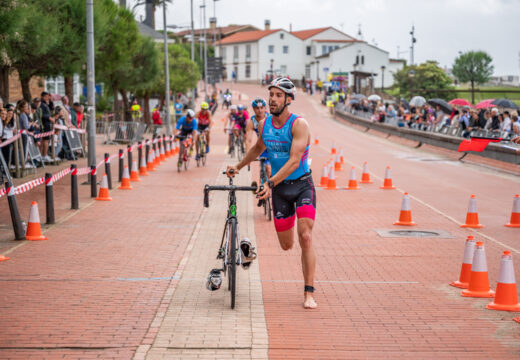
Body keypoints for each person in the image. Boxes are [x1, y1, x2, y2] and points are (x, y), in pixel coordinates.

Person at [225, 77, 317, 309]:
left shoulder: (299, 125)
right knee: (286, 245)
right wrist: (238, 166)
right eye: (271, 95)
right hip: (280, 190)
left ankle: (309, 292)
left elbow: (295, 160)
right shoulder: (264, 124)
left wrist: (271, 182)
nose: (272, 99)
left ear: (289, 99)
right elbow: (258, 148)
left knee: (305, 236)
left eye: (278, 96)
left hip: (302, 184)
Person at [246, 97, 271, 180]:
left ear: (265, 108)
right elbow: (248, 140)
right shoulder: (251, 121)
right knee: (265, 168)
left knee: (269, 170)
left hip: (272, 147)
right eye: (257, 108)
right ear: (253, 109)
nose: (260, 110)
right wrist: (248, 157)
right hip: (261, 148)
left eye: (262, 108)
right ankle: (261, 184)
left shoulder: (270, 118)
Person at [39, 91, 54, 161]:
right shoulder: (41, 104)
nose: (47, 98)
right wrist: (49, 118)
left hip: (47, 124)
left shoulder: (46, 104)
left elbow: (52, 108)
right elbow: (41, 114)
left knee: (45, 140)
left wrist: (51, 101)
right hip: (44, 124)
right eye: (45, 96)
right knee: (45, 140)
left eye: (47, 96)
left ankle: (43, 155)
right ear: (42, 97)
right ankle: (43, 155)